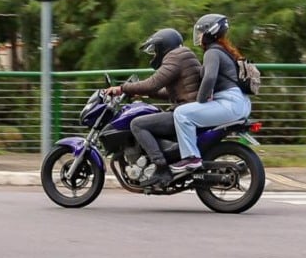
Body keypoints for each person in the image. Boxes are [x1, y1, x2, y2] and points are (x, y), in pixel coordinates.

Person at [106, 28, 202, 185]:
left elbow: (152, 83)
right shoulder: (184, 55)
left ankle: (161, 168)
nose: (155, 55)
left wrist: (122, 88)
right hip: (191, 109)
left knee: (137, 124)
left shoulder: (174, 57)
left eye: (155, 50)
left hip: (184, 111)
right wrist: (146, 95)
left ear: (164, 47)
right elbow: (173, 91)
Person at [169, 13, 253, 174]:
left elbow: (210, 77)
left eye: (200, 32)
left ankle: (191, 157)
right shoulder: (224, 51)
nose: (198, 36)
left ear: (210, 32)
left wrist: (200, 101)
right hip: (240, 102)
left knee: (181, 113)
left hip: (229, 103)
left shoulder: (212, 52)